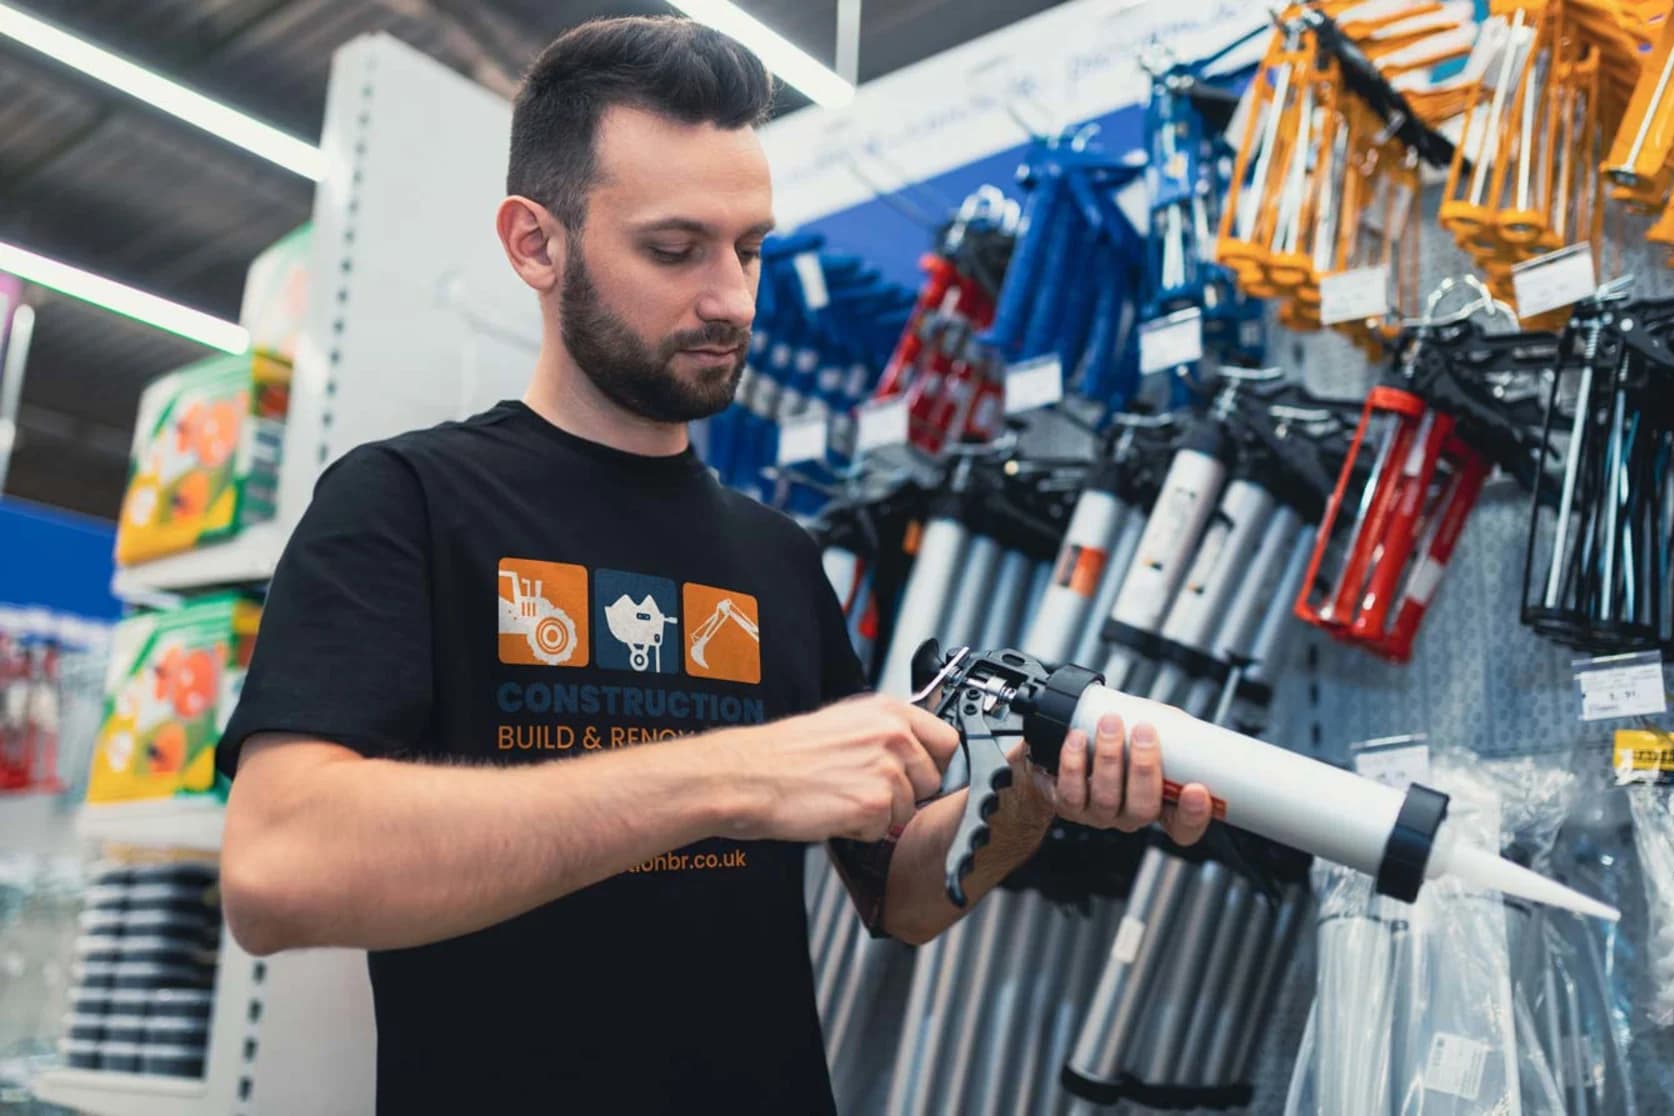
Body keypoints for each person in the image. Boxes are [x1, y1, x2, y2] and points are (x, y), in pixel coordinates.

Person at [217, 15, 1215, 1114]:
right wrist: (733, 775)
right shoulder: (404, 501)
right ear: (535, 244)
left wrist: (1022, 802)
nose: (734, 300)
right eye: (674, 249)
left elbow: (897, 896)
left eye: (749, 248)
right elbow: (278, 873)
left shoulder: (778, 558)